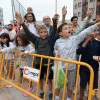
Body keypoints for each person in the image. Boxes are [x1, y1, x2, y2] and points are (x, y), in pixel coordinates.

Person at [15, 12, 58, 100]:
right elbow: (28, 33)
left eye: (45, 32)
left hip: (49, 64)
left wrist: (54, 20)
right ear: (38, 33)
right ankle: (41, 92)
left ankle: (50, 92)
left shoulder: (49, 38)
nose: (43, 34)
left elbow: (54, 31)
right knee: (41, 79)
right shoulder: (36, 39)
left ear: (47, 32)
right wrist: (22, 23)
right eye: (41, 32)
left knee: (49, 80)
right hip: (39, 63)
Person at [54, 21, 100, 100]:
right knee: (58, 84)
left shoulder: (74, 39)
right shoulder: (58, 41)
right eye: (66, 28)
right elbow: (55, 49)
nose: (68, 29)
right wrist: (56, 53)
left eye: (69, 28)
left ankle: (69, 98)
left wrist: (97, 24)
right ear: (60, 33)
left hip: (72, 68)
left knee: (70, 85)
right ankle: (56, 98)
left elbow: (86, 31)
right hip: (61, 67)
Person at [76, 23, 100, 100]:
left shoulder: (98, 42)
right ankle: (81, 98)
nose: (96, 32)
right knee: (83, 85)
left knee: (92, 85)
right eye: (94, 30)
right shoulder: (82, 40)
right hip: (84, 67)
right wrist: (87, 40)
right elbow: (79, 51)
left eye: (97, 30)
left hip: (94, 67)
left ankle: (88, 98)